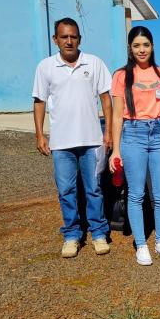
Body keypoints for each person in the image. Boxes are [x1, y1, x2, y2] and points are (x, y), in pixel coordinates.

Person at [32, 17, 112, 258]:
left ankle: (98, 233)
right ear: (55, 40)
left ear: (79, 39)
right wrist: (39, 134)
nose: (69, 41)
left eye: (73, 36)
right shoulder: (45, 67)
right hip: (62, 143)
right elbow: (39, 102)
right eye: (64, 37)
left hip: (91, 141)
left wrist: (107, 131)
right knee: (66, 190)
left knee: (94, 189)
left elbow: (106, 98)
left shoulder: (94, 63)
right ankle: (71, 235)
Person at [108, 26, 160, 265]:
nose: (141, 49)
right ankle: (141, 244)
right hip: (133, 135)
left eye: (145, 44)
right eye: (136, 45)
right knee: (136, 194)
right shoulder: (120, 76)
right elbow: (116, 116)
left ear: (152, 46)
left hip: (158, 135)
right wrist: (115, 150)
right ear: (130, 48)